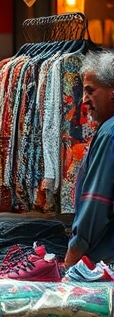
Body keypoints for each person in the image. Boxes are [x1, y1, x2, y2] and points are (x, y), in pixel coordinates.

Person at [66, 50, 114, 267]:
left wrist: (74, 254)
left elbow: (97, 202)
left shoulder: (109, 133)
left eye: (90, 91)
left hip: (102, 261)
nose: (84, 100)